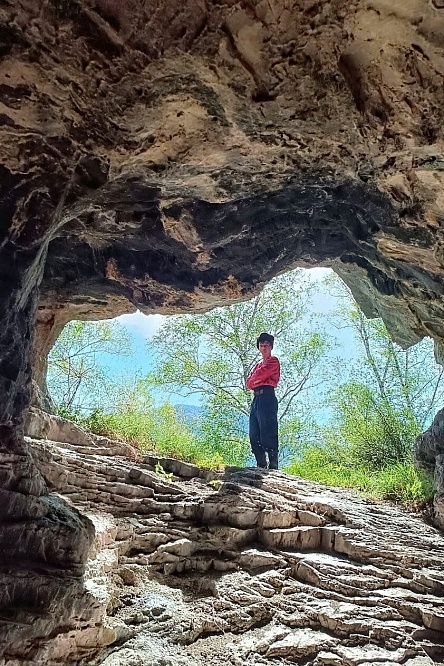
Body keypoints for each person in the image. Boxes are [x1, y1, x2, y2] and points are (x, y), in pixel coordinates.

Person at [246, 332, 280, 470]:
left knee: (268, 429)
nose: (264, 348)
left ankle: (273, 465)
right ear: (258, 347)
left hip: (267, 396)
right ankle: (261, 464)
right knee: (254, 432)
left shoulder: (273, 361)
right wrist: (256, 380)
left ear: (271, 347)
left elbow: (261, 375)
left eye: (266, 345)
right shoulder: (258, 364)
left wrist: (257, 379)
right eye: (261, 345)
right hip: (256, 398)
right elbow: (249, 383)